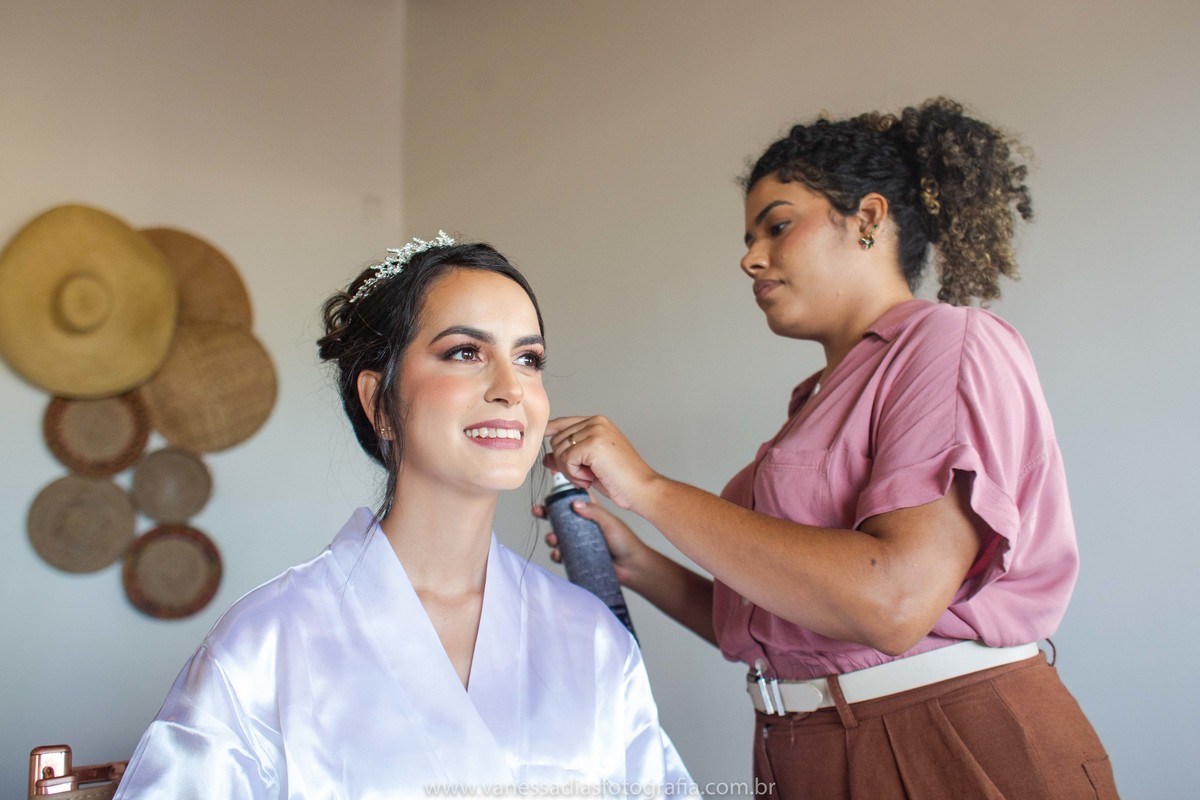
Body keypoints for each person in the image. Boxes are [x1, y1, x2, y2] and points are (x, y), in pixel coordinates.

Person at [540, 98, 1118, 799]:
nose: (750, 258)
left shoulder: (947, 344)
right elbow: (785, 624)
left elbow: (893, 602)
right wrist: (638, 561)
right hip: (799, 753)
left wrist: (652, 490)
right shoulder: (813, 403)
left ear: (868, 219)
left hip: (942, 743)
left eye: (777, 226)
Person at [115, 234, 697, 798]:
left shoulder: (591, 637)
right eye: (466, 352)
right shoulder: (269, 643)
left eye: (528, 358)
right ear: (378, 402)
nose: (511, 388)